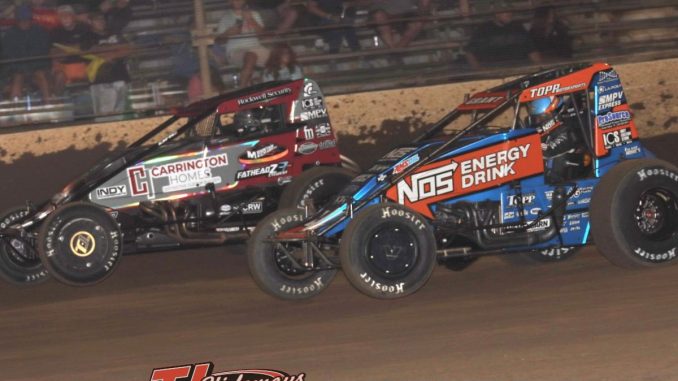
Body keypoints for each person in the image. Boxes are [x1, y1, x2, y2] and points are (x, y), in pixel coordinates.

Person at [81, 12, 132, 120]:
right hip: (101, 80)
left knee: (120, 114)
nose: (101, 21)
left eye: (102, 19)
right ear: (90, 21)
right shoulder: (87, 36)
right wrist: (113, 49)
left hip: (120, 76)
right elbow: (90, 51)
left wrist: (111, 54)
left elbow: (128, 48)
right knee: (104, 116)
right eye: (97, 19)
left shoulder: (114, 33)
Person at [527, 95, 588, 183]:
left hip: (567, 183)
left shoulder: (567, 132)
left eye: (539, 118)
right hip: (549, 183)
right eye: (535, 119)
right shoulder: (550, 133)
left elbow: (548, 151)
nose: (537, 122)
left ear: (553, 114)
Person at [465, 2, 541, 69]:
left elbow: (532, 50)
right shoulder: (484, 29)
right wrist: (479, 71)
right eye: (505, 11)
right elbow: (470, 52)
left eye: (510, 10)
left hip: (518, 68)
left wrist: (539, 67)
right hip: (493, 70)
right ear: (496, 13)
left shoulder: (518, 27)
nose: (509, 14)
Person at [2, 4, 51, 102]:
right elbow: (7, 54)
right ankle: (15, 107)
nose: (24, 22)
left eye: (27, 19)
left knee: (41, 76)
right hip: (17, 69)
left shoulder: (39, 31)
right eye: (21, 20)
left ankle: (49, 103)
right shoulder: (10, 35)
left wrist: (32, 66)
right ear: (17, 21)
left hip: (37, 66)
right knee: (17, 78)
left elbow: (43, 51)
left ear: (31, 20)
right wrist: (21, 68)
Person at [215, 0, 269, 87]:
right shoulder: (226, 17)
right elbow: (218, 41)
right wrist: (228, 33)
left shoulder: (254, 14)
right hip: (235, 51)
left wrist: (251, 20)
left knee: (277, 56)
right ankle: (242, 89)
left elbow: (263, 36)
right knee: (251, 56)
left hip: (256, 47)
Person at [51, 5, 91, 95]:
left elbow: (87, 48)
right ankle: (57, 101)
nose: (64, 18)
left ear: (73, 16)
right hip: (64, 65)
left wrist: (70, 49)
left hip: (83, 63)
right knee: (59, 76)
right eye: (61, 16)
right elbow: (54, 52)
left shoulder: (84, 28)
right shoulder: (55, 32)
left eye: (67, 15)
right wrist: (74, 48)